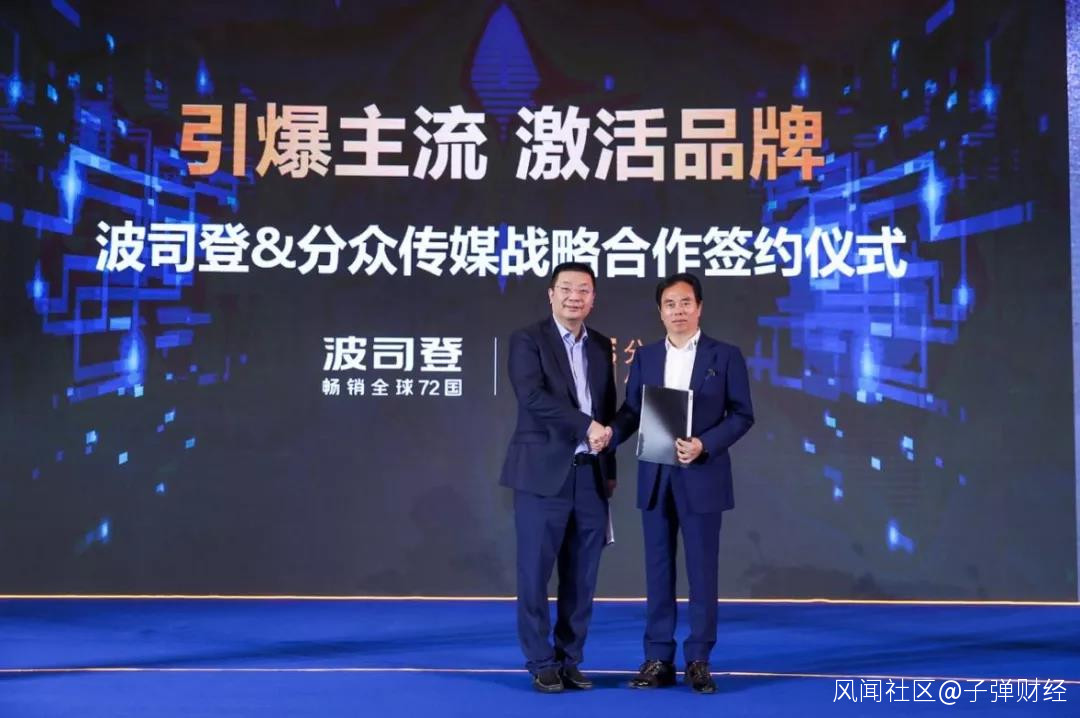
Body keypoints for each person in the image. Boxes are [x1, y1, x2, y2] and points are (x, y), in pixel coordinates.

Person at [611, 272, 754, 694]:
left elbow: (742, 414)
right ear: (660, 312)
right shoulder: (646, 357)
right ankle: (658, 657)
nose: (678, 311)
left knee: (702, 572)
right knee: (657, 571)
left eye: (685, 302)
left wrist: (704, 444)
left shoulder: (724, 356)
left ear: (699, 307)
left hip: (702, 474)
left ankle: (699, 659)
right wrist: (607, 436)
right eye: (670, 304)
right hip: (655, 476)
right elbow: (632, 411)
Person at [499, 261, 617, 693]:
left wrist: (609, 468)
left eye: (583, 290)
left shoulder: (600, 345)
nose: (574, 297)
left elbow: (607, 406)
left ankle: (570, 659)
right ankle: (540, 660)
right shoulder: (528, 340)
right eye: (566, 288)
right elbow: (531, 396)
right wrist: (586, 426)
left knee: (582, 576)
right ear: (551, 295)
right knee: (535, 573)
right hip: (541, 475)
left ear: (593, 299)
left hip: (589, 475)